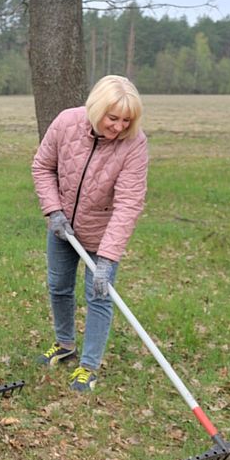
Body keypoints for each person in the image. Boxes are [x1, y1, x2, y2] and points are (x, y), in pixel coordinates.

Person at [31, 75, 148, 392]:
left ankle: (88, 366)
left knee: (99, 296)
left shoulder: (134, 144)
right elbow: (43, 166)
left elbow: (128, 204)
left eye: (126, 120)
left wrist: (108, 259)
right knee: (58, 286)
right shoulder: (67, 123)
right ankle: (65, 343)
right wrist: (53, 210)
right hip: (63, 229)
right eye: (113, 118)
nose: (119, 127)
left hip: (103, 233)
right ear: (96, 109)